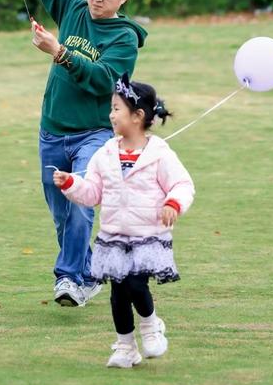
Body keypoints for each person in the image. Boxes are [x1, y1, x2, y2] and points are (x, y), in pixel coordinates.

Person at [0, 0, 147, 308]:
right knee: (61, 215)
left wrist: (59, 51)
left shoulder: (124, 38)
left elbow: (103, 80)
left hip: (94, 133)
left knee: (80, 203)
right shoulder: (73, 8)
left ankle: (68, 278)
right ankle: (89, 272)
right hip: (52, 130)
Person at [53, 73, 194, 368]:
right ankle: (125, 347)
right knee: (118, 293)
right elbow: (93, 193)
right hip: (114, 236)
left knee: (135, 285)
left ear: (137, 116)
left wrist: (173, 204)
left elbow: (182, 184)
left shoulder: (159, 154)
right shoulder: (105, 154)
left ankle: (151, 326)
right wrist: (71, 184)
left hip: (147, 235)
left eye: (117, 108)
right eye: (111, 108)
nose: (111, 115)